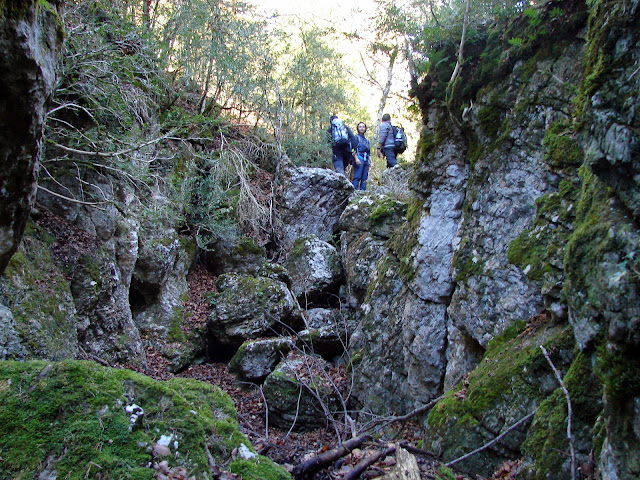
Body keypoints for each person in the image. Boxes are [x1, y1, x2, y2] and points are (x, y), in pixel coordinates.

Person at [352, 122, 371, 191]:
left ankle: (363, 194)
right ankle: (354, 192)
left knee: (364, 178)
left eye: (363, 127)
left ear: (365, 128)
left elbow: (369, 152)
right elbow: (353, 150)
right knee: (357, 176)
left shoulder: (367, 141)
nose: (362, 128)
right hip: (359, 158)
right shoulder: (355, 138)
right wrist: (356, 159)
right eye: (360, 127)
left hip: (366, 160)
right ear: (357, 128)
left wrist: (371, 162)